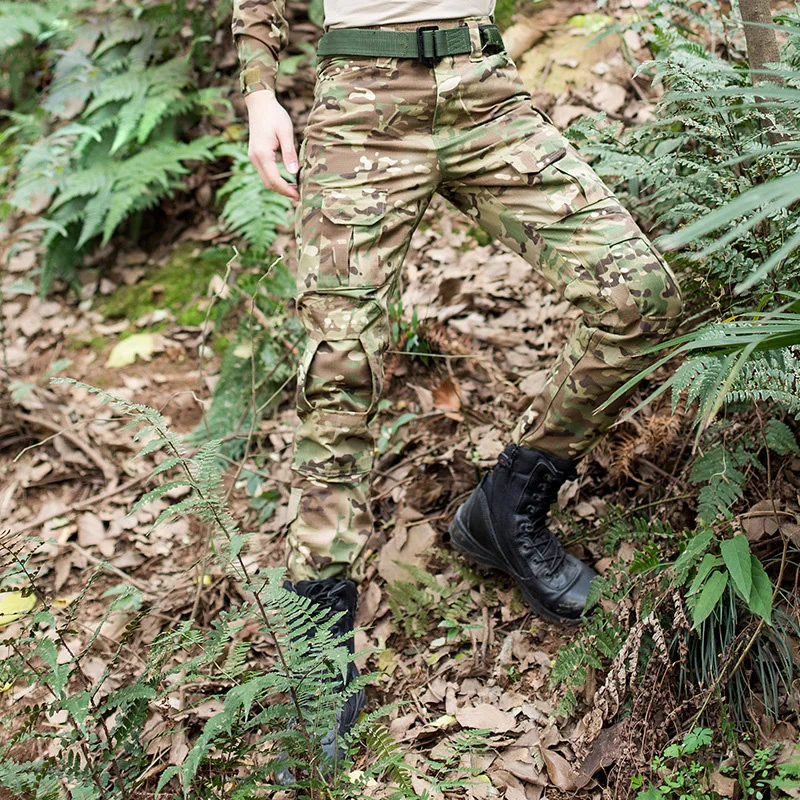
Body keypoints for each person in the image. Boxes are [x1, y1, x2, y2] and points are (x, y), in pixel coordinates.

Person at [232, 0, 682, 758]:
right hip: (361, 103)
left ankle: (506, 507)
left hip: (484, 90)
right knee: (339, 367)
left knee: (638, 296)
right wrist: (260, 90)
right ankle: (315, 622)